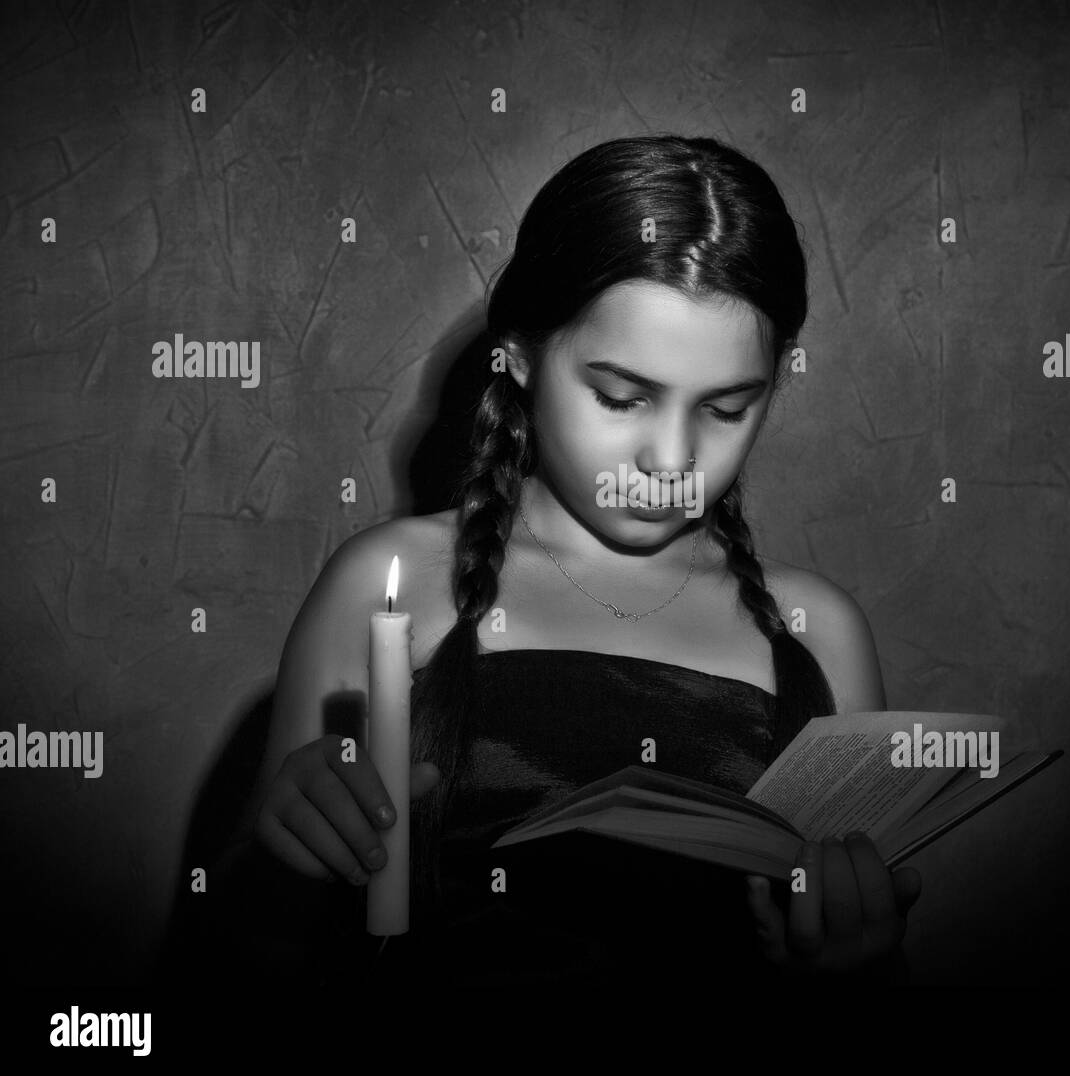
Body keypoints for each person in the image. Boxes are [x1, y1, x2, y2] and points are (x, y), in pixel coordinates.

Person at [245, 134, 922, 1003]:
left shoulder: (817, 632)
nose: (671, 458)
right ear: (521, 351)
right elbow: (245, 980)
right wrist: (278, 867)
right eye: (619, 397)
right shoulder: (389, 583)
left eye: (726, 408)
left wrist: (854, 967)